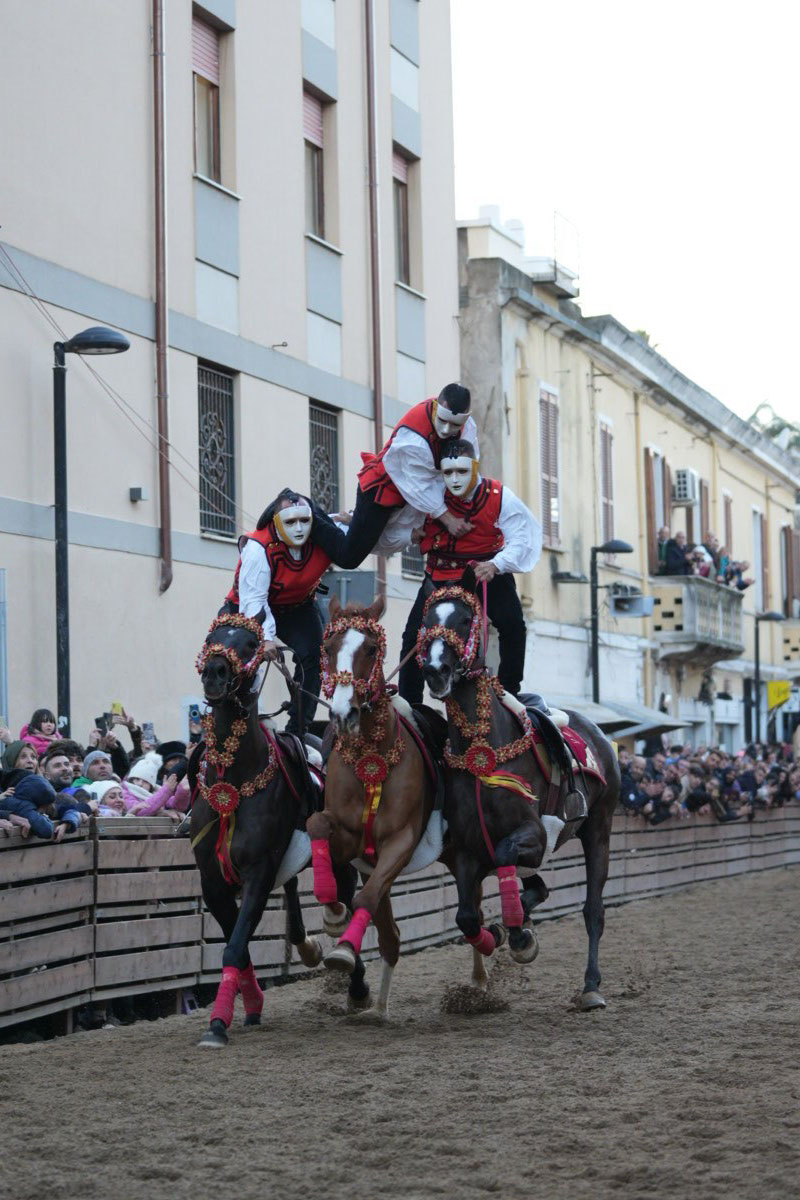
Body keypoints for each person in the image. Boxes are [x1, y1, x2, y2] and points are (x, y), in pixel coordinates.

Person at [393, 438, 541, 702]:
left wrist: (497, 564)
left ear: (475, 468)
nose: (454, 479)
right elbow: (395, 520)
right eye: (448, 472)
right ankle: (411, 708)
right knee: (413, 636)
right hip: (440, 573)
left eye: (461, 471)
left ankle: (509, 694)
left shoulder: (499, 496)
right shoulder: (429, 495)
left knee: (513, 626)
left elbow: (523, 538)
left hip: (486, 571)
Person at [310, 383, 480, 570]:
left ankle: (354, 521)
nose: (447, 430)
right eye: (443, 421)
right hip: (380, 494)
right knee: (348, 557)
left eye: (455, 425)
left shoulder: (467, 428)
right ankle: (311, 516)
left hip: (414, 498)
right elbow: (418, 487)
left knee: (401, 536)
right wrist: (449, 519)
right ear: (436, 408)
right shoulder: (413, 437)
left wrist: (475, 500)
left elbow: (470, 465)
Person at [222, 488, 333, 736]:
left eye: (304, 520)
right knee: (229, 660)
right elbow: (255, 601)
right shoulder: (257, 548)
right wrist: (267, 637)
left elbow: (361, 530)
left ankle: (297, 730)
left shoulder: (325, 533)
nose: (299, 528)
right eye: (290, 522)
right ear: (277, 522)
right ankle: (234, 727)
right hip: (246, 609)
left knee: (314, 656)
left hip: (296, 607)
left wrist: (408, 533)